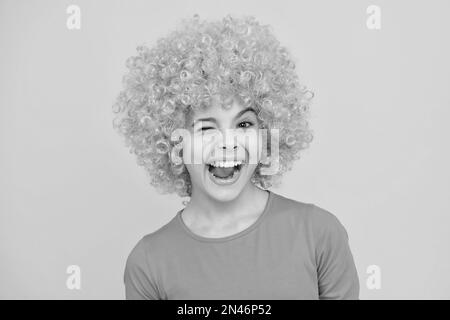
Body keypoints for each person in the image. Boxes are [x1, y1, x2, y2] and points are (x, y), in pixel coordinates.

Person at [113, 14, 359, 300]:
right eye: (206, 128)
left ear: (265, 133)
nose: (228, 144)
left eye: (244, 125)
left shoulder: (318, 233)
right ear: (174, 142)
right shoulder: (149, 263)